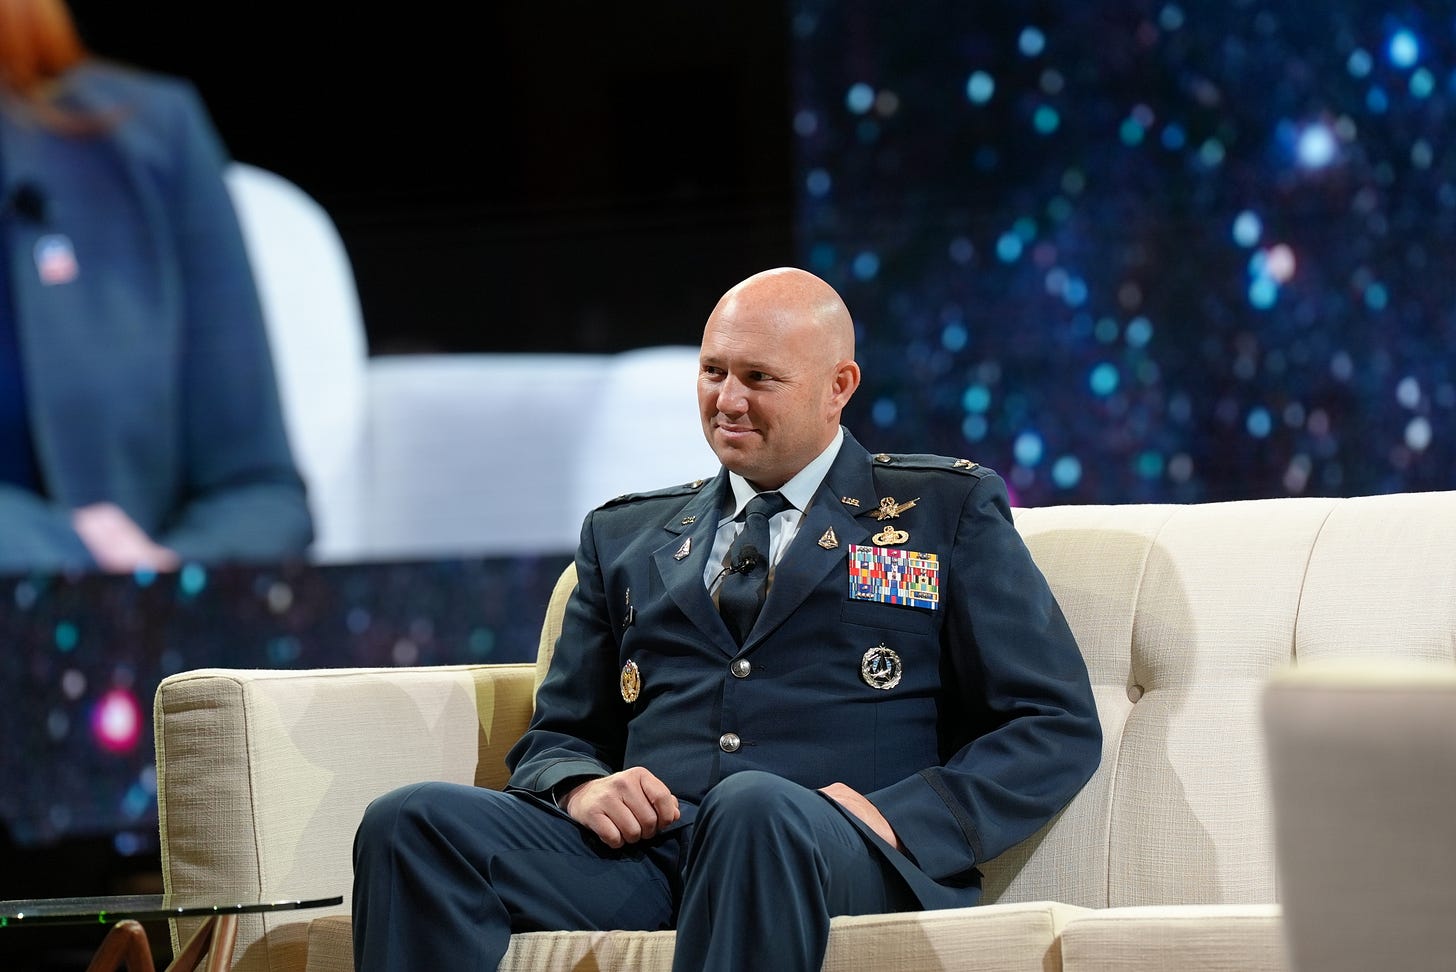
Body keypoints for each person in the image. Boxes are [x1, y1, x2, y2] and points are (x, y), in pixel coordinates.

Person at [352, 267, 1101, 971]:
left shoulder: (942, 511)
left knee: (752, 806)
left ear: (838, 387)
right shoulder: (623, 535)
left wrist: (902, 818)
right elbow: (562, 733)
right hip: (653, 856)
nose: (728, 401)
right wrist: (581, 786)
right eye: (714, 372)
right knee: (412, 823)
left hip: (837, 853)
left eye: (759, 379)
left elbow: (1051, 722)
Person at [0, 0, 312, 575]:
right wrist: (66, 555)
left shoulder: (150, 138)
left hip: (119, 622)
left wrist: (159, 579)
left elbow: (259, 495)